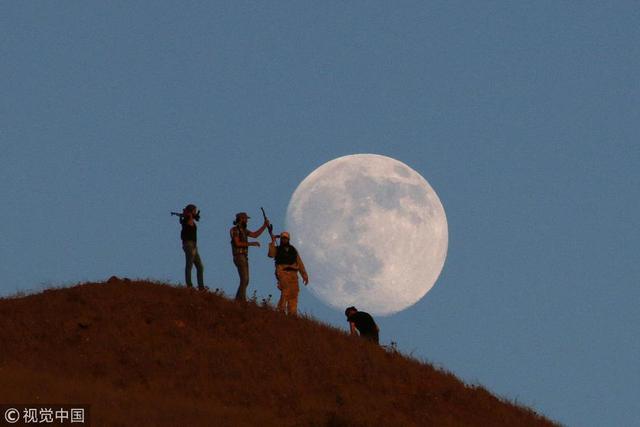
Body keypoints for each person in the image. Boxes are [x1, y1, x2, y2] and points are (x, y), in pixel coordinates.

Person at [230, 211, 269, 301]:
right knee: (244, 279)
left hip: (244, 257)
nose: (247, 221)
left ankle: (238, 299)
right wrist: (251, 244)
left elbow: (255, 235)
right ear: (241, 219)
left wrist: (264, 226)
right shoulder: (235, 230)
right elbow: (237, 243)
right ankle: (241, 300)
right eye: (246, 219)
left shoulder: (244, 230)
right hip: (239, 256)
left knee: (246, 280)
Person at [268, 231, 309, 315]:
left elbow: (299, 262)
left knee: (294, 293)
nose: (284, 240)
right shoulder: (277, 249)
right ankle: (281, 310)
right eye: (282, 238)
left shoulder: (293, 250)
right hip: (282, 271)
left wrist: (304, 275)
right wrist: (272, 241)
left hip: (293, 273)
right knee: (285, 290)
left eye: (286, 238)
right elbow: (271, 254)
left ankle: (292, 313)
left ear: (288, 239)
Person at [179, 204, 205, 290]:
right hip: (189, 244)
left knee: (199, 267)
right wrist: (190, 215)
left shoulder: (189, 219)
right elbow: (189, 219)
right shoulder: (188, 219)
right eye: (194, 210)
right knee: (189, 265)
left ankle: (201, 287)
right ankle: (189, 285)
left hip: (193, 245)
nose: (195, 212)